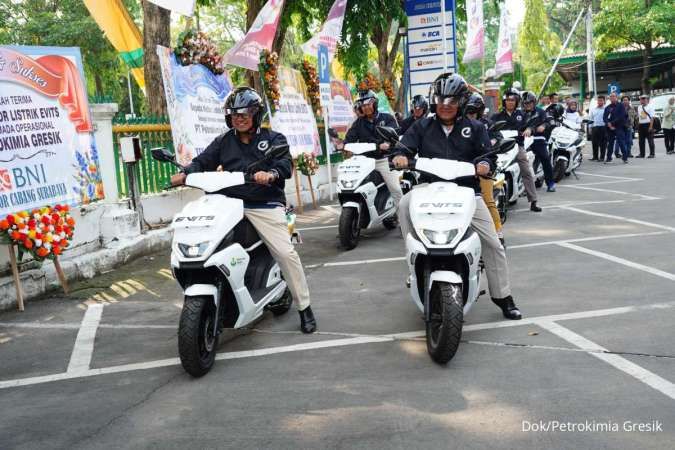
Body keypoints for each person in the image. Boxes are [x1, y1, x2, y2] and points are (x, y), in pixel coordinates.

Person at [170, 87, 317, 334]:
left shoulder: (274, 139)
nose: (239, 118)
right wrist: (186, 173)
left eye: (245, 113)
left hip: (263, 204)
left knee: (285, 252)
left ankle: (305, 307)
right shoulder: (224, 141)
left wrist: (270, 174)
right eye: (234, 114)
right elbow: (203, 161)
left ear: (256, 115)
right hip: (228, 203)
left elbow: (283, 165)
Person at [392, 73, 522, 320]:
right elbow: (404, 147)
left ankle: (503, 296)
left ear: (462, 102)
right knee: (404, 203)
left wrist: (485, 164)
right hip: (428, 189)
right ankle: (413, 262)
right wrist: (399, 156)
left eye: (452, 100)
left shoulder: (476, 128)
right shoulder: (422, 126)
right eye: (441, 99)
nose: (446, 105)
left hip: (468, 194)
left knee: (494, 244)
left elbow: (489, 156)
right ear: (434, 100)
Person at [338, 89, 403, 213]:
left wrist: (387, 144)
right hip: (364, 161)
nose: (366, 107)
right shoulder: (358, 123)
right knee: (352, 186)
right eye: (363, 105)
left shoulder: (387, 118)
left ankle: (403, 219)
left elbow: (395, 135)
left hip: (383, 160)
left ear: (375, 103)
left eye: (368, 103)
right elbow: (349, 138)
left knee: (396, 189)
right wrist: (343, 145)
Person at [490, 88, 542, 212]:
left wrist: (529, 129)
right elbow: (490, 129)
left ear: (517, 101)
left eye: (513, 100)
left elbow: (530, 125)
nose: (510, 102)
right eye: (508, 100)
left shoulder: (522, 115)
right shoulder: (496, 116)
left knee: (526, 170)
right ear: (504, 101)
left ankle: (533, 201)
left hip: (516, 146)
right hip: (499, 147)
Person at [464, 93, 504, 242]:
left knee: (486, 198)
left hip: (484, 167)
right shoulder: (459, 125)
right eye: (467, 112)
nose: (470, 115)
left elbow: (498, 138)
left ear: (479, 112)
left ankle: (498, 231)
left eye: (473, 112)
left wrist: (493, 141)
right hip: (463, 168)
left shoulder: (487, 124)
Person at [521, 91, 556, 192]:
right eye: (525, 103)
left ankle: (550, 183)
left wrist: (544, 126)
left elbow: (549, 122)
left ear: (534, 102)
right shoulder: (520, 113)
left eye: (529, 102)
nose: (527, 105)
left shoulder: (541, 111)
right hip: (524, 140)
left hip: (538, 139)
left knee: (545, 158)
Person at [603, 92, 629, 164]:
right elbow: (604, 117)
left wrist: (612, 123)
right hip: (609, 128)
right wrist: (608, 124)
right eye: (611, 96)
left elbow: (621, 117)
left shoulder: (621, 106)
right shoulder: (607, 107)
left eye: (614, 96)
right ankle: (609, 158)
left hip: (619, 127)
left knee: (621, 142)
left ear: (616, 97)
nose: (612, 98)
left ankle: (625, 158)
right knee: (610, 143)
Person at [589, 95, 607, 161]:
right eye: (599, 100)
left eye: (601, 100)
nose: (600, 102)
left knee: (603, 144)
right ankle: (595, 157)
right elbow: (591, 119)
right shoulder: (593, 109)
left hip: (603, 127)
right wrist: (590, 128)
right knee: (594, 143)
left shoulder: (606, 109)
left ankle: (602, 157)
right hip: (595, 128)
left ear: (604, 101)